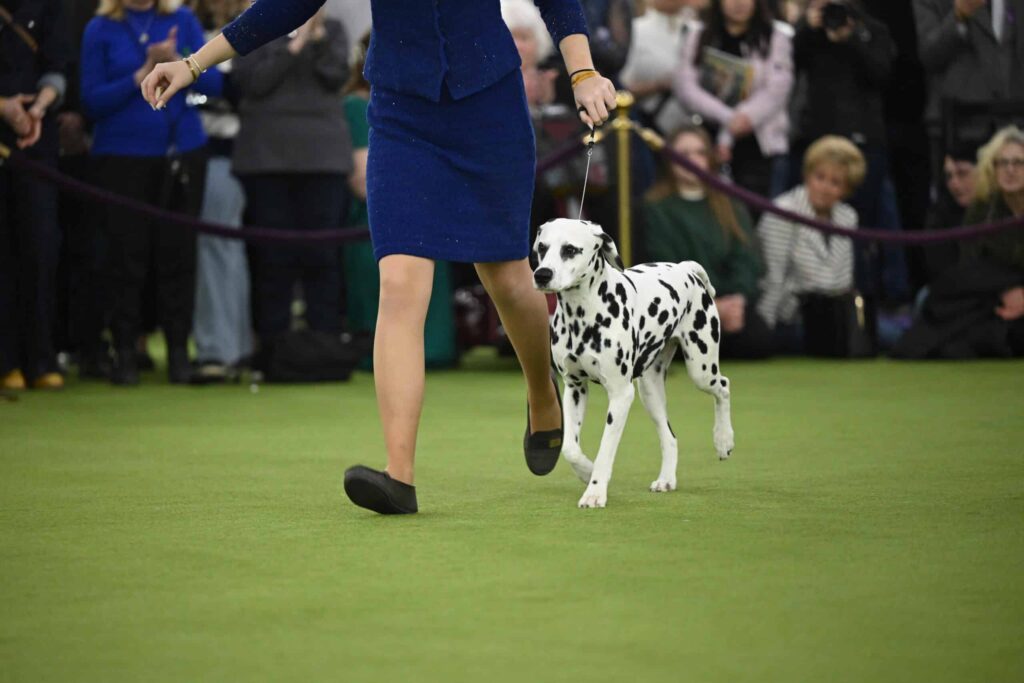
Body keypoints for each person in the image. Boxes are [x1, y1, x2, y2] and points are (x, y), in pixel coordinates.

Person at [141, 0, 618, 515]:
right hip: (401, 116)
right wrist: (193, 64)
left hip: (490, 112)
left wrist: (583, 71)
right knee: (399, 285)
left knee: (506, 279)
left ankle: (542, 393)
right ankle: (399, 476)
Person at [80, 0, 223, 385]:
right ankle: (125, 350)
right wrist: (140, 74)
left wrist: (180, 61)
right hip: (121, 157)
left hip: (181, 153)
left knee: (179, 256)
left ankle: (179, 353)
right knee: (124, 258)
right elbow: (90, 101)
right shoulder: (99, 29)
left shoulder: (182, 20)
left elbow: (215, 83)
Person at [229, 7, 351, 372]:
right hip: (266, 160)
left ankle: (325, 346)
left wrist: (315, 42)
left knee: (324, 259)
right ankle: (272, 350)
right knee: (272, 260)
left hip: (323, 160)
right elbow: (252, 82)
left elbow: (336, 76)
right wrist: (295, 44)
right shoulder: (251, 26)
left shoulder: (332, 29)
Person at [341, 30, 457, 369]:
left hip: (431, 214)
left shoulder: (432, 103)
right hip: (378, 218)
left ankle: (437, 351)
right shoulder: (354, 106)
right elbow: (362, 182)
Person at [641, 125, 771, 358]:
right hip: (678, 311)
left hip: (727, 304)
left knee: (758, 337)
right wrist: (709, 308)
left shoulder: (730, 204)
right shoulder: (655, 208)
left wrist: (736, 299)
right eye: (684, 154)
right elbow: (662, 266)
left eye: (700, 153)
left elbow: (746, 259)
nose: (693, 160)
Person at [894, 126, 1024, 358]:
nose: (1010, 170)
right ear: (992, 168)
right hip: (987, 301)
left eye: (1018, 162)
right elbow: (968, 266)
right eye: (1002, 163)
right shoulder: (983, 209)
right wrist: (1005, 289)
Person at [0, 0, 70, 391]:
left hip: (35, 137)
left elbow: (58, 65)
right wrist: (3, 107)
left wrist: (39, 108)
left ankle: (41, 356)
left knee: (42, 247)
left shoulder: (49, 5)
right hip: (6, 121)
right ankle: (5, 361)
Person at [675, 0, 793, 202]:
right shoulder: (698, 34)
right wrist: (728, 119)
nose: (739, 3)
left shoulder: (776, 36)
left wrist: (745, 118)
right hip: (707, 139)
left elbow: (777, 88)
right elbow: (685, 86)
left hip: (758, 143)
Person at [756, 135, 865, 349]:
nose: (825, 187)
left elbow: (844, 278)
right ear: (807, 175)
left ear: (846, 189)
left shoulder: (848, 216)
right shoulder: (782, 211)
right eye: (820, 177)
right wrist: (762, 332)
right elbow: (772, 277)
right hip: (790, 319)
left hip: (835, 318)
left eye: (835, 182)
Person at [619, 0, 694, 135]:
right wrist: (657, 86)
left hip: (692, 133)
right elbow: (619, 90)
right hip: (645, 128)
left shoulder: (698, 31)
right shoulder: (636, 30)